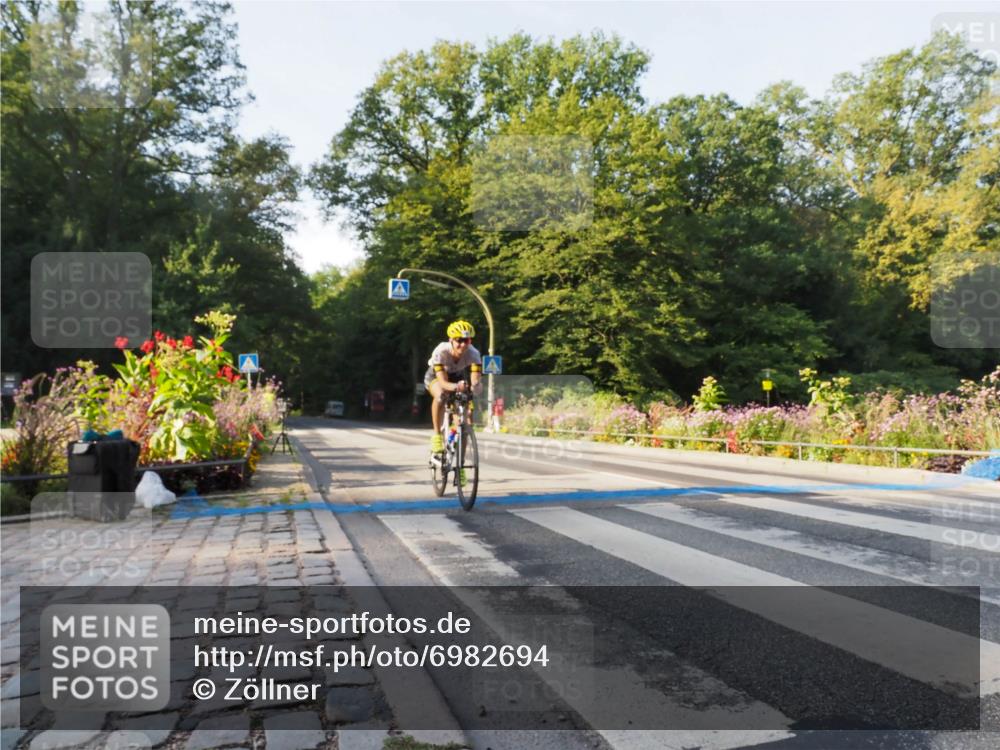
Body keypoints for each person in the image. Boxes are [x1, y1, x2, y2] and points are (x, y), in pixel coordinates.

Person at [425, 320, 483, 454]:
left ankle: (460, 465)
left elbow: (475, 379)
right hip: (436, 376)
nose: (463, 345)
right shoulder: (441, 351)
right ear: (451, 340)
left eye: (466, 341)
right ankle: (437, 435)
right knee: (441, 396)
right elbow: (443, 382)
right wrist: (457, 386)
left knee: (464, 421)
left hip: (457, 376)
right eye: (459, 340)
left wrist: (475, 386)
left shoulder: (474, 354)